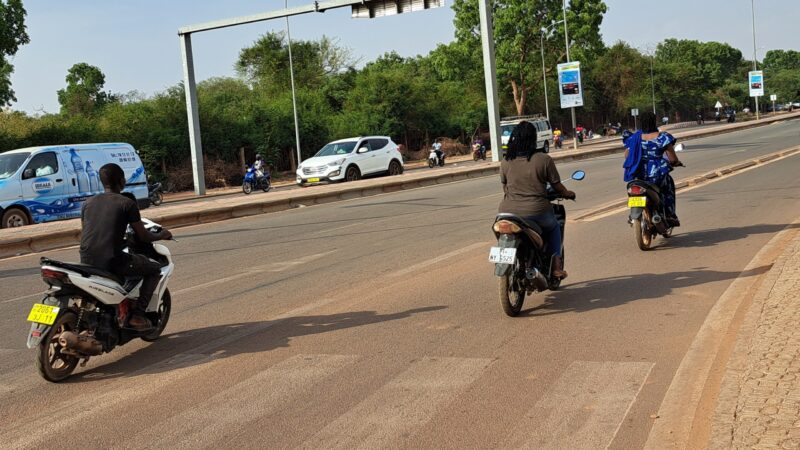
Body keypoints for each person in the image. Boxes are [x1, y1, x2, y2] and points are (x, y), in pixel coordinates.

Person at [79, 164, 172, 330]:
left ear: (102, 182)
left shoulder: (88, 203)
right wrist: (162, 234)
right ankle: (138, 315)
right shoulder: (127, 203)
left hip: (86, 259)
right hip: (113, 261)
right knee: (154, 269)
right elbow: (143, 236)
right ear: (122, 181)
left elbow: (94, 232)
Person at [499, 121, 575, 279]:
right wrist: (568, 194)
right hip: (536, 211)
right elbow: (557, 186)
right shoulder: (543, 159)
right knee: (554, 227)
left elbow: (505, 187)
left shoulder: (506, 161)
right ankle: (555, 267)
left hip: (506, 212)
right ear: (533, 138)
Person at [623, 112, 683, 227]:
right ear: (654, 121)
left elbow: (627, 156)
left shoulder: (634, 138)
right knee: (667, 189)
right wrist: (676, 163)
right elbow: (672, 159)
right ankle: (669, 215)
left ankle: (633, 215)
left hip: (638, 173)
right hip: (657, 174)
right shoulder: (662, 137)